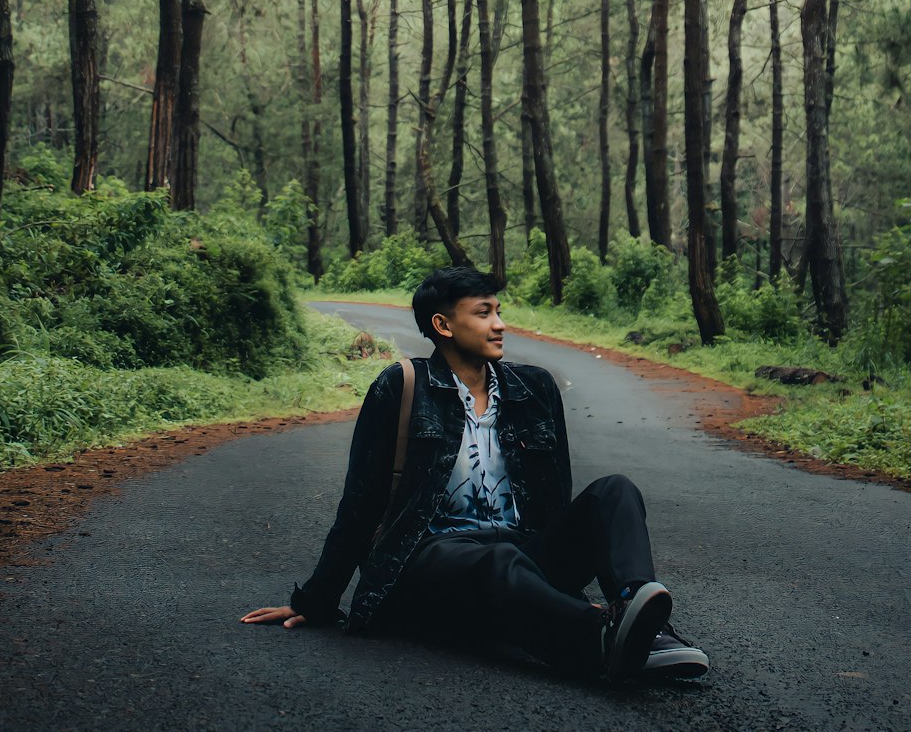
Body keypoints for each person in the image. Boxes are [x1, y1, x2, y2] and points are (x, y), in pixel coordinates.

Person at [241, 265, 708, 685]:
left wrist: (555, 578)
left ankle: (640, 623)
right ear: (443, 325)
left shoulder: (535, 388)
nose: (500, 324)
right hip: (426, 562)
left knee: (614, 491)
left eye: (498, 312)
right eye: (483, 313)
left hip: (519, 558)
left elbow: (555, 500)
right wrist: (318, 601)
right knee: (498, 560)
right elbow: (361, 502)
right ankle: (601, 643)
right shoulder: (402, 386)